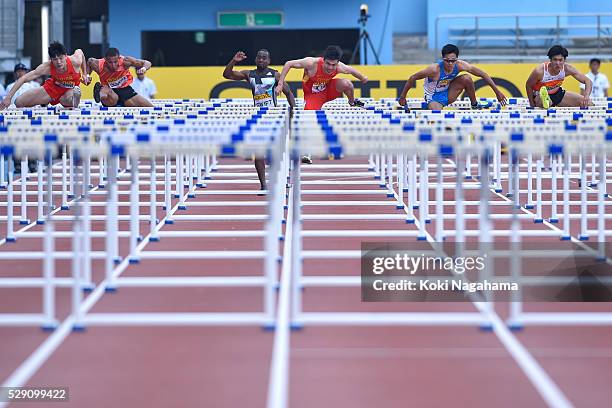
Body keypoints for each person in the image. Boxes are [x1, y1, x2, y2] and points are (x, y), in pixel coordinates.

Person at [223, 49, 297, 190]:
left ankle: (280, 180)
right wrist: (234, 61)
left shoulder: (275, 74)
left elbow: (288, 92)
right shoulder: (248, 74)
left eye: (264, 58)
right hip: (258, 117)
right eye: (259, 58)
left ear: (269, 61)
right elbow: (227, 75)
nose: (261, 60)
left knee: (277, 152)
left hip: (274, 117)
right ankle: (263, 185)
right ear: (256, 59)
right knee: (258, 153)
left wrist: (294, 110)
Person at [398, 43, 507, 109]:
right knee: (436, 116)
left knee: (467, 78)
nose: (450, 64)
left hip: (449, 92)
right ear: (442, 59)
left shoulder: (460, 65)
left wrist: (497, 92)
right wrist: (403, 97)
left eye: (453, 61)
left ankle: (474, 104)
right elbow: (412, 78)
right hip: (434, 97)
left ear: (457, 59)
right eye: (447, 61)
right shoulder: (434, 69)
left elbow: (483, 74)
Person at [275, 45, 367, 110]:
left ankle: (352, 102)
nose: (330, 68)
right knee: (309, 113)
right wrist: (280, 84)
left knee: (347, 84)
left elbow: (352, 70)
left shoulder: (340, 66)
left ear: (338, 63)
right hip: (312, 95)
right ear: (323, 60)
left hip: (328, 90)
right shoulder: (311, 63)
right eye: (328, 64)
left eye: (333, 65)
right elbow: (288, 64)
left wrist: (362, 78)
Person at [0, 42, 87, 110]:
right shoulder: (46, 67)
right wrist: (8, 97)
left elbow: (80, 52)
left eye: (61, 58)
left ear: (66, 56)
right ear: (51, 59)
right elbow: (23, 78)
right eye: (55, 59)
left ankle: (75, 99)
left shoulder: (75, 61)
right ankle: (46, 101)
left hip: (70, 90)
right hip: (53, 88)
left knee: (65, 99)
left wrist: (84, 74)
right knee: (18, 102)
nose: (59, 62)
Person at [526, 45, 592, 109]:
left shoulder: (567, 68)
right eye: (555, 60)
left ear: (564, 60)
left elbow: (588, 81)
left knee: (588, 103)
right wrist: (532, 104)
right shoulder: (540, 71)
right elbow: (528, 85)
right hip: (539, 95)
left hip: (557, 94)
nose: (558, 63)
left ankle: (548, 102)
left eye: (560, 60)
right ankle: (546, 100)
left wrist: (586, 96)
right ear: (550, 60)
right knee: (546, 103)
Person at [87, 47, 153, 107]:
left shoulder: (126, 61)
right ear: (105, 60)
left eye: (115, 62)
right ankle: (100, 94)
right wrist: (87, 75)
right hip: (110, 92)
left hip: (125, 90)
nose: (113, 65)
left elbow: (147, 63)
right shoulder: (98, 65)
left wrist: (144, 68)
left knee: (150, 107)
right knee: (108, 92)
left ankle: (102, 94)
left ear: (119, 58)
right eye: (110, 62)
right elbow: (89, 62)